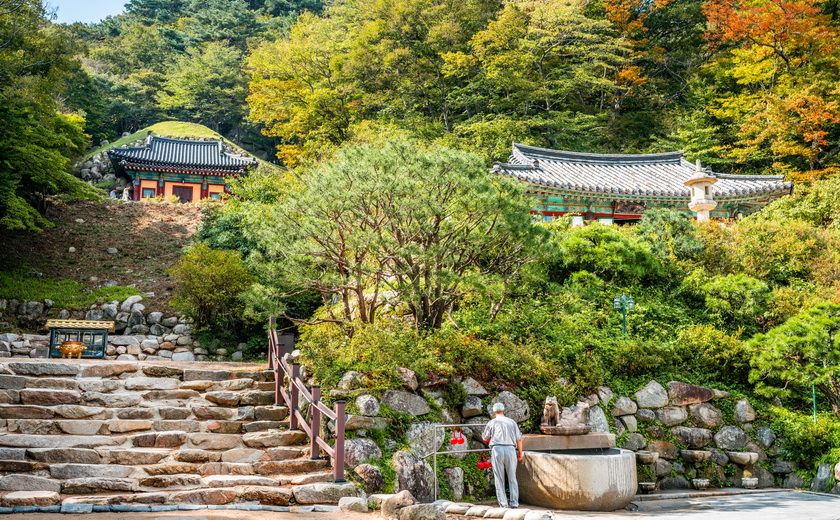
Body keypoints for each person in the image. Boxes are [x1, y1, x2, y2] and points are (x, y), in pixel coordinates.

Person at [482, 402, 524, 508]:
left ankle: (503, 504)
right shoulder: (512, 422)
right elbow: (519, 439)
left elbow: (485, 438)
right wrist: (520, 453)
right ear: (503, 411)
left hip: (497, 450)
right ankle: (514, 503)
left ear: (494, 412)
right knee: (512, 477)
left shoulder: (492, 422)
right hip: (510, 449)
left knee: (499, 478)